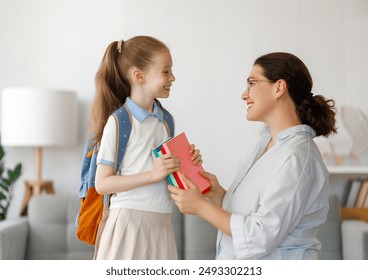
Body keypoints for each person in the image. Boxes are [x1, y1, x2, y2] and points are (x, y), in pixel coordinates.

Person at [169, 52, 337, 260]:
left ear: (279, 88)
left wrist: (201, 207)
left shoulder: (298, 157)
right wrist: (219, 194)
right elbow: (254, 213)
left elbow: (260, 236)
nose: (244, 94)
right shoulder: (268, 144)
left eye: (251, 83)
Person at [89, 35, 202, 260]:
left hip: (162, 223)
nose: (173, 77)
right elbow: (102, 184)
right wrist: (153, 174)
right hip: (128, 224)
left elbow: (169, 177)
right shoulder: (119, 122)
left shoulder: (166, 121)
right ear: (139, 76)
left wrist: (188, 166)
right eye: (166, 71)